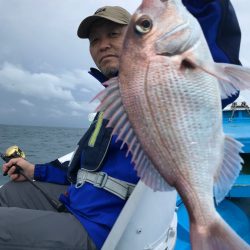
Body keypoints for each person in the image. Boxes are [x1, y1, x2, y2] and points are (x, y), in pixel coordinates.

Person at [0, 2, 242, 250]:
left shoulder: (167, 83)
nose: (102, 44)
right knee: (8, 193)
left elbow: (208, 31)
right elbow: (81, 168)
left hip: (100, 228)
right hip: (79, 202)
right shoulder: (110, 105)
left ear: (133, 41)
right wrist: (34, 171)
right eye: (94, 40)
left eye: (114, 34)